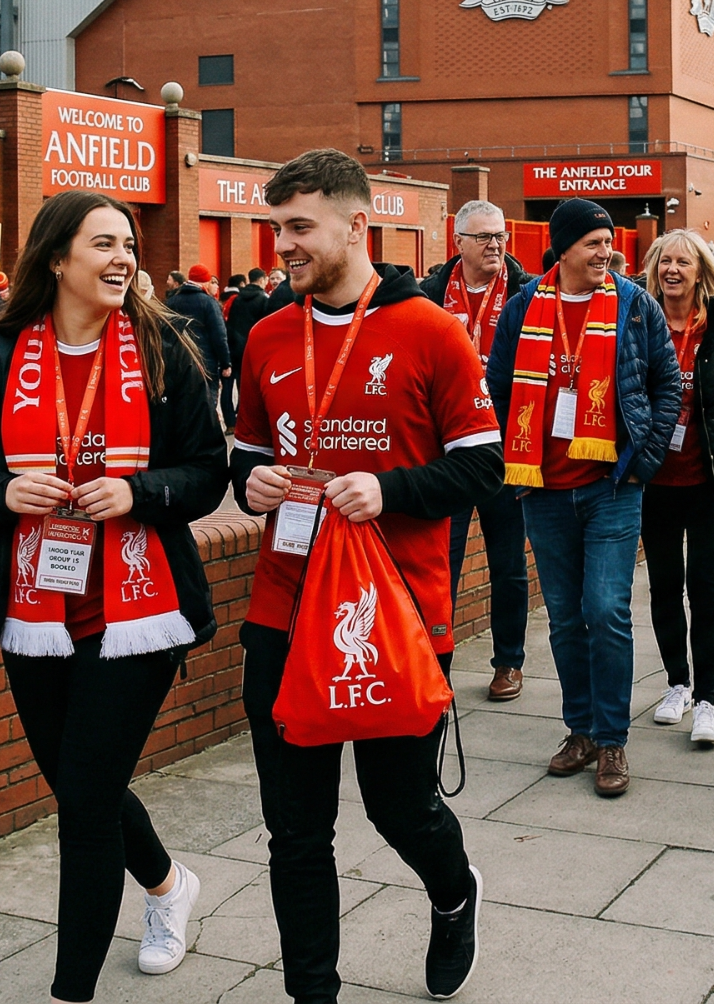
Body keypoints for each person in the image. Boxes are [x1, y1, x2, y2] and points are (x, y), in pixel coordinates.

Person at [0, 189, 226, 1002]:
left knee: (85, 802)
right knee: (78, 784)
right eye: (103, 243)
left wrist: (139, 492)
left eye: (128, 243)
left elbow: (208, 473)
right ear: (57, 258)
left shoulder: (167, 346)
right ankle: (170, 887)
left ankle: (71, 991)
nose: (122, 258)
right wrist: (4, 493)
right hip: (35, 613)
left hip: (137, 613)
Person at [230, 150, 498, 1003]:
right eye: (277, 229)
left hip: (395, 613)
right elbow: (244, 447)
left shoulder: (431, 330)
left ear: (357, 223)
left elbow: (483, 466)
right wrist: (253, 478)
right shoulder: (269, 332)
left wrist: (386, 489)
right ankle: (313, 992)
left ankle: (454, 894)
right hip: (282, 609)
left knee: (398, 808)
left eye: (300, 227)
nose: (284, 246)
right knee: (296, 831)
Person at [489, 197, 680, 797]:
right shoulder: (523, 307)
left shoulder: (633, 304)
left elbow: (666, 383)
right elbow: (495, 389)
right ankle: (581, 730)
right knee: (567, 618)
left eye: (608, 244)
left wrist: (641, 462)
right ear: (565, 247)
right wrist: (508, 460)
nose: (607, 253)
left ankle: (614, 739)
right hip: (542, 488)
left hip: (610, 488)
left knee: (606, 610)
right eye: (595, 243)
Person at [641, 229, 714, 746]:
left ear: (701, 272)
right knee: (664, 586)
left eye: (683, 263)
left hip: (711, 480)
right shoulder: (638, 323)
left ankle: (708, 701)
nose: (673, 270)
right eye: (665, 261)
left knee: (705, 588)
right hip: (653, 481)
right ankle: (676, 685)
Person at [421, 200, 535, 701]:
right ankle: (431, 657)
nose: (495, 245)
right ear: (458, 243)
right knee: (440, 560)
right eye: (484, 237)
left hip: (506, 450)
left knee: (507, 565)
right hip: (445, 453)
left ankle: (509, 662)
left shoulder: (528, 295)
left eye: (501, 236)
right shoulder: (426, 296)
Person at [165, 267, 232, 426]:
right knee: (207, 406)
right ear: (206, 281)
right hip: (205, 363)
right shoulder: (209, 302)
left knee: (183, 406)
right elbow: (219, 336)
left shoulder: (172, 301)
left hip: (177, 362)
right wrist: (225, 363)